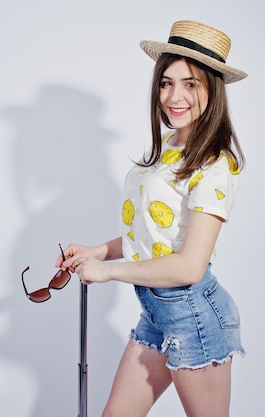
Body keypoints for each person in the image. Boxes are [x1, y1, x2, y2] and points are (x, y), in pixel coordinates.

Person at [56, 20, 248, 417]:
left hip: (194, 317)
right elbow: (152, 235)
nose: (174, 96)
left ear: (213, 91)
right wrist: (99, 252)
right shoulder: (171, 148)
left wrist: (108, 273)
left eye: (190, 83)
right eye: (166, 82)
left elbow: (189, 266)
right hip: (157, 315)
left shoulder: (214, 164)